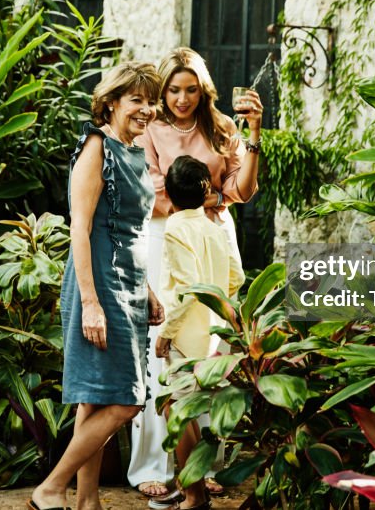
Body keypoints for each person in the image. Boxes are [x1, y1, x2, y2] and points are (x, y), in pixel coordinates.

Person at [30, 62, 165, 510]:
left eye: (151, 101)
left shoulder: (133, 150)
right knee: (127, 401)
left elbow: (131, 231)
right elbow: (81, 229)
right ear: (111, 102)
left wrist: (146, 289)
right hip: (99, 285)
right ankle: (51, 488)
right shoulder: (96, 147)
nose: (147, 109)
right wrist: (90, 302)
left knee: (95, 399)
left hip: (129, 283)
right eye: (137, 100)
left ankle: (88, 502)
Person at [131, 47, 263, 500]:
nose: (181, 99)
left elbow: (240, 191)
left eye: (190, 90)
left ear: (202, 89)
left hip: (213, 235)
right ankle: (154, 464)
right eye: (173, 90)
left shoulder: (222, 127)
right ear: (162, 89)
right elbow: (147, 188)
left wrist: (255, 134)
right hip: (167, 235)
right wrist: (196, 198)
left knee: (212, 347)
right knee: (161, 350)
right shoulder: (151, 128)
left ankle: (203, 463)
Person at [154, 155, 244, 510]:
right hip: (217, 333)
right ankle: (194, 486)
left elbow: (190, 286)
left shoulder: (175, 226)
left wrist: (167, 331)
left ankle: (193, 494)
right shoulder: (215, 226)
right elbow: (235, 277)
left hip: (187, 335)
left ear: (169, 194)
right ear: (207, 189)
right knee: (194, 412)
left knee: (176, 411)